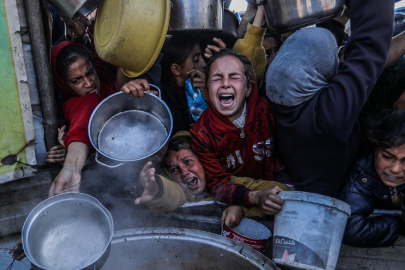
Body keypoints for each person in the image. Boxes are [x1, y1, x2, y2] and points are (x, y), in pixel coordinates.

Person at [265, 0, 395, 197]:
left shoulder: (272, 102)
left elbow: (315, 52)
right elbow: (367, 50)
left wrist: (338, 19)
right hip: (329, 207)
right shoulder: (328, 116)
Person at [48, 41, 152, 196]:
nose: (89, 83)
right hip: (114, 185)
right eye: (76, 80)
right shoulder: (75, 104)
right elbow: (81, 129)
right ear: (64, 84)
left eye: (89, 73)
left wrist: (139, 95)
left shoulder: (103, 73)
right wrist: (71, 166)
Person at [190, 49, 288, 212]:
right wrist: (256, 197)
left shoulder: (264, 110)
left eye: (234, 77)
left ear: (248, 87)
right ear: (207, 90)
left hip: (277, 198)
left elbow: (282, 155)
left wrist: (284, 188)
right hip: (236, 206)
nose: (226, 84)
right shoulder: (202, 134)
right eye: (217, 78)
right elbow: (218, 184)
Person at [135, 132, 289, 228]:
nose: (184, 172)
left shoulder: (228, 185)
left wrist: (242, 209)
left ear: (203, 161)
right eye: (174, 169)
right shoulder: (180, 194)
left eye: (188, 161)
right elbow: (170, 194)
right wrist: (157, 189)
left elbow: (281, 192)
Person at [340, 110, 405, 247]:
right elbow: (353, 230)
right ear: (375, 147)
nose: (395, 169)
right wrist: (398, 223)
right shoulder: (363, 174)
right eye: (387, 157)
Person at [160, 36, 207, 134]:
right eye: (196, 59)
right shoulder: (162, 99)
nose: (203, 64)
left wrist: (207, 95)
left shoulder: (209, 89)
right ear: (176, 69)